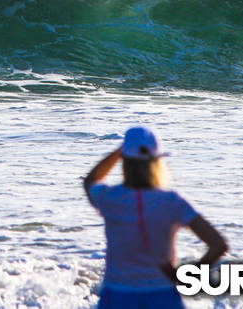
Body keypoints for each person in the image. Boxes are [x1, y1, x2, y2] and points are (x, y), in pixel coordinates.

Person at [83, 126, 227, 309]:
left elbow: (91, 180)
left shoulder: (110, 198)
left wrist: (120, 151)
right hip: (163, 295)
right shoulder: (171, 201)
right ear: (157, 161)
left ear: (125, 160)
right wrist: (187, 276)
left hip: (118, 295)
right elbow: (218, 244)